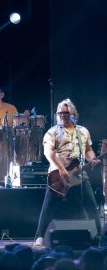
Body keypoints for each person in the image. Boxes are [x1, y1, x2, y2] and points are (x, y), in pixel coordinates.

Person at [33, 98, 101, 246]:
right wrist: (62, 169)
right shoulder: (52, 132)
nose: (63, 115)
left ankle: (101, 236)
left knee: (91, 206)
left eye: (66, 112)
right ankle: (39, 236)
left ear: (73, 114)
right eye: (60, 113)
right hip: (58, 175)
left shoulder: (82, 131)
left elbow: (88, 150)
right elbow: (49, 152)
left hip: (78, 174)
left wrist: (92, 158)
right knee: (48, 207)